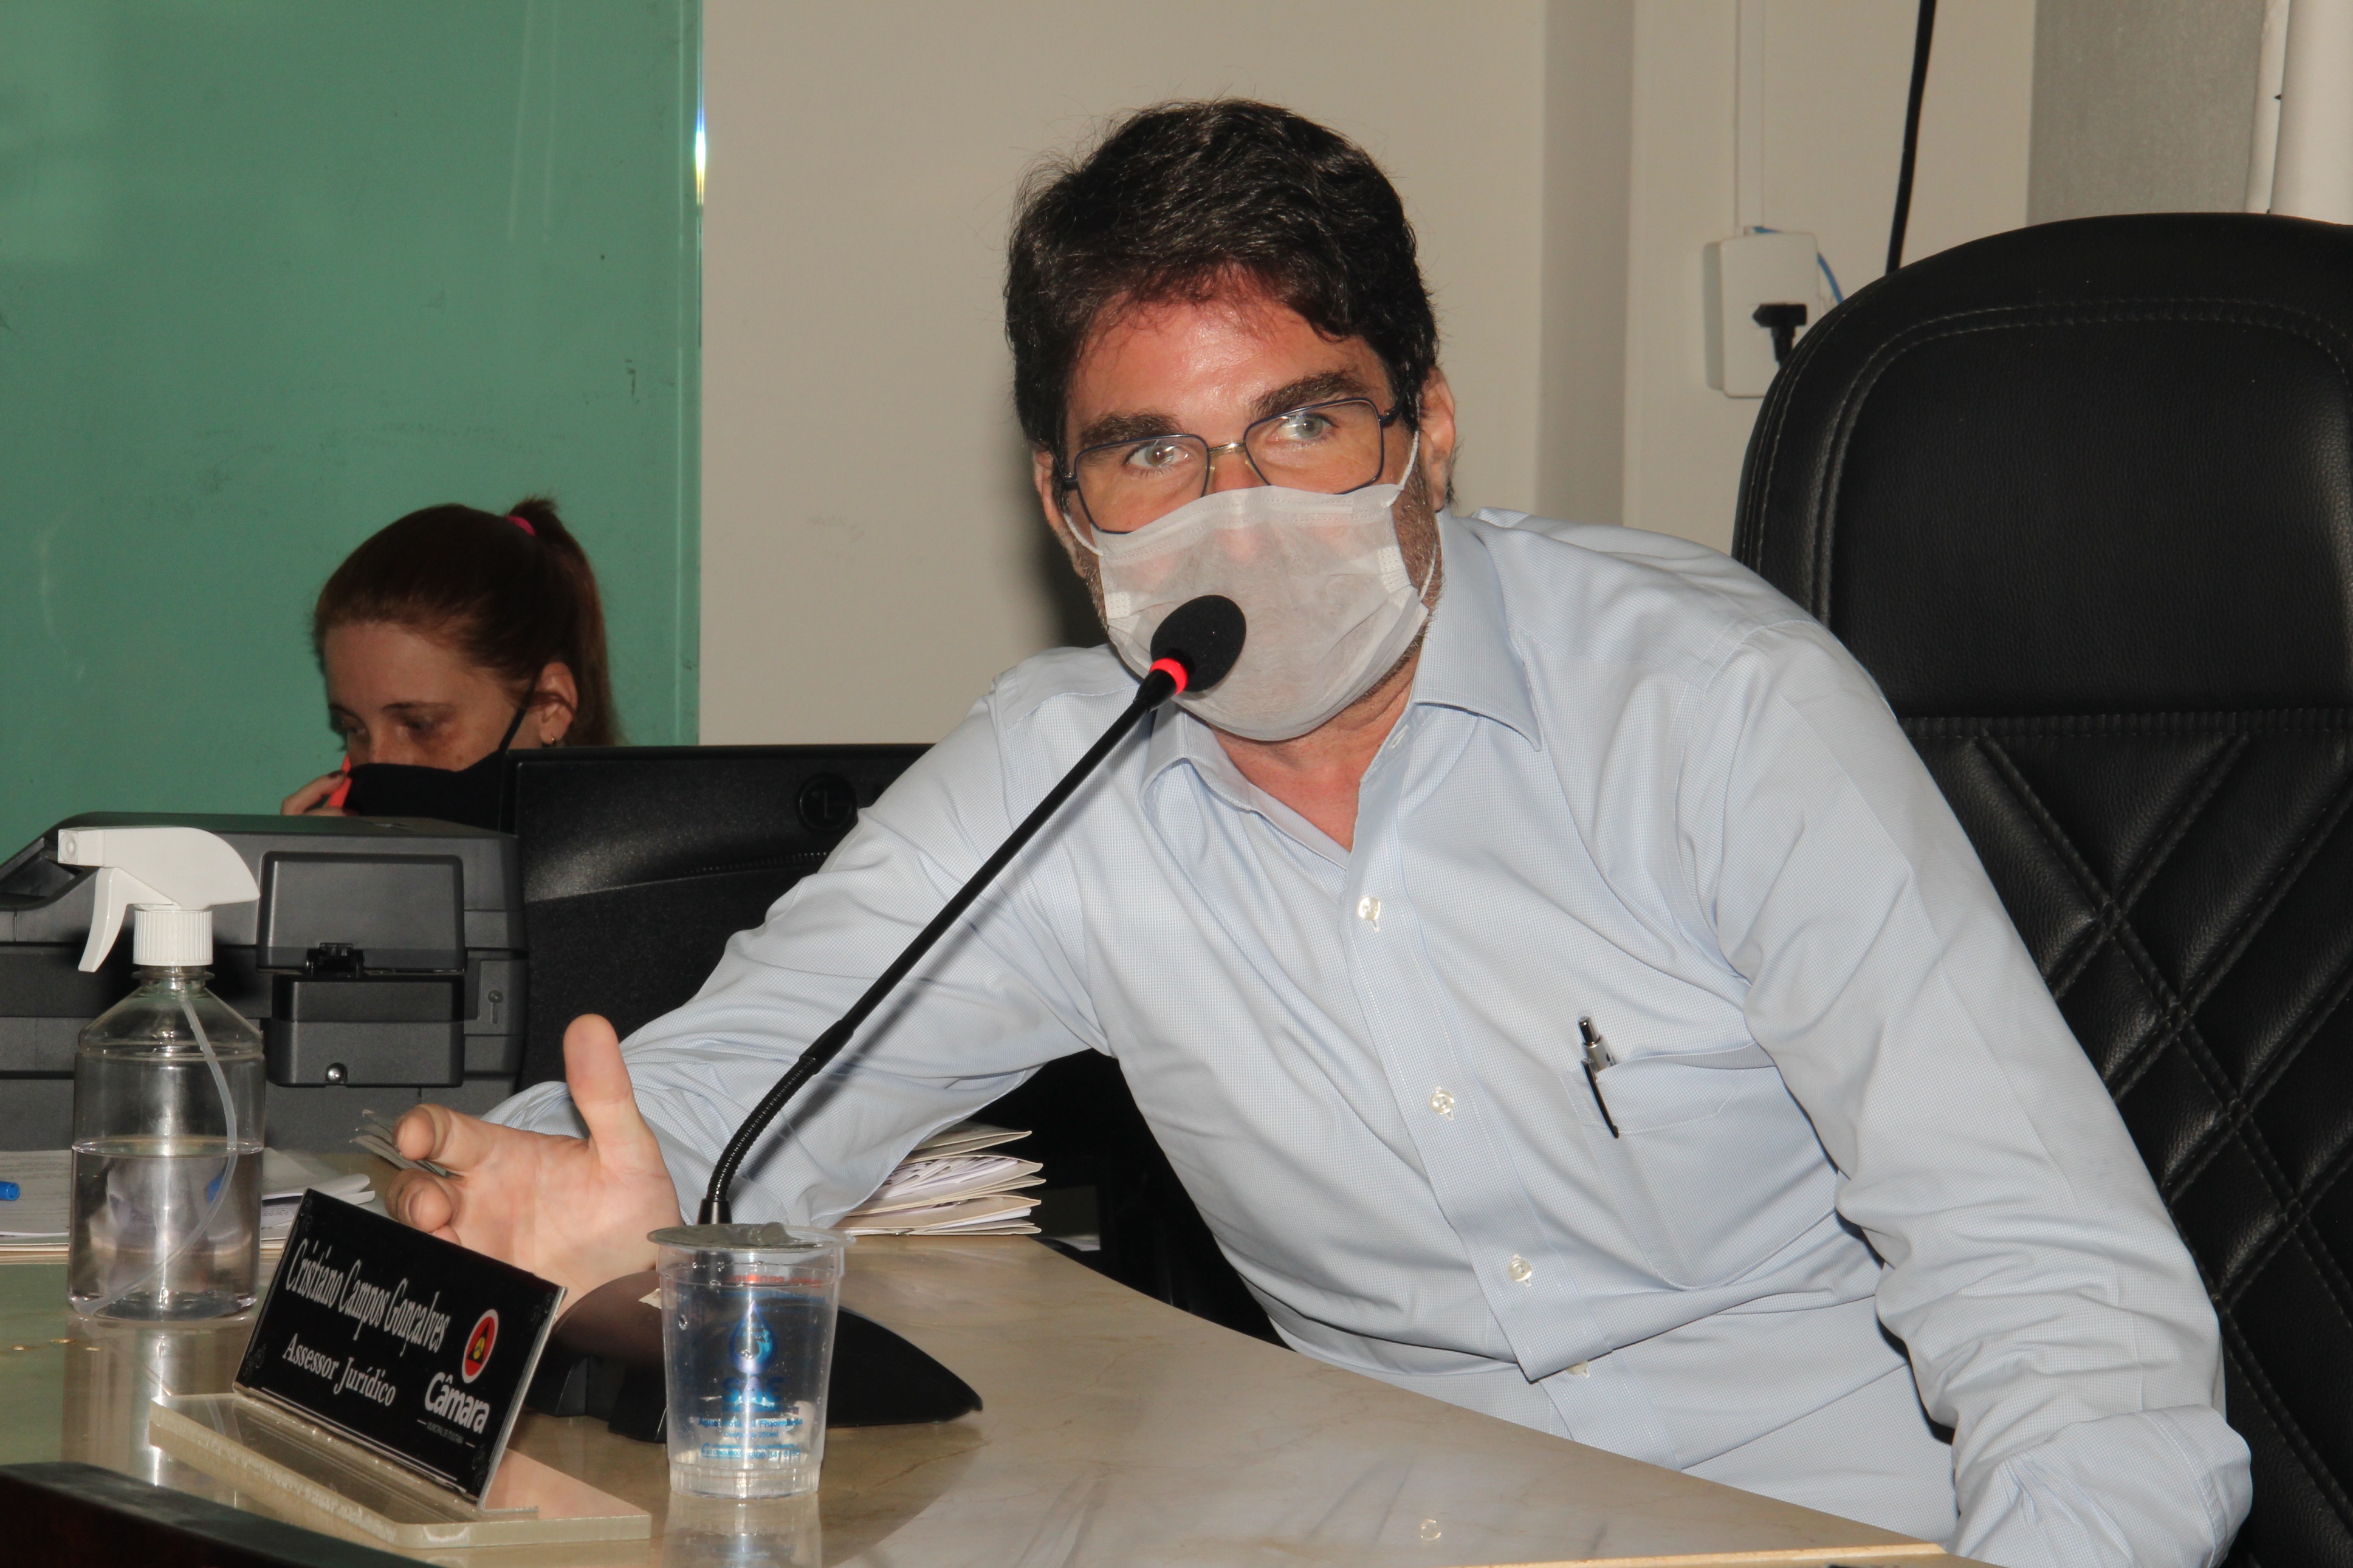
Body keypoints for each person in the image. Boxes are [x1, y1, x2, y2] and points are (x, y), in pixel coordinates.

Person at [383, 103, 2250, 1567]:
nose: (1237, 513)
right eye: (1151, 453)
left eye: (1301, 424)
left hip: (1829, 1527)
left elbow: (2059, 1298)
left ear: (1427, 426)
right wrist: (540, 1193)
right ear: (1065, 505)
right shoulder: (1064, 778)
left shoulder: (1715, 708)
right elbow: (733, 1089)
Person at [281, 498, 619, 826]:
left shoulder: (639, 862)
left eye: (421, 725)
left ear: (550, 707)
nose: (379, 761)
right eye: (354, 728)